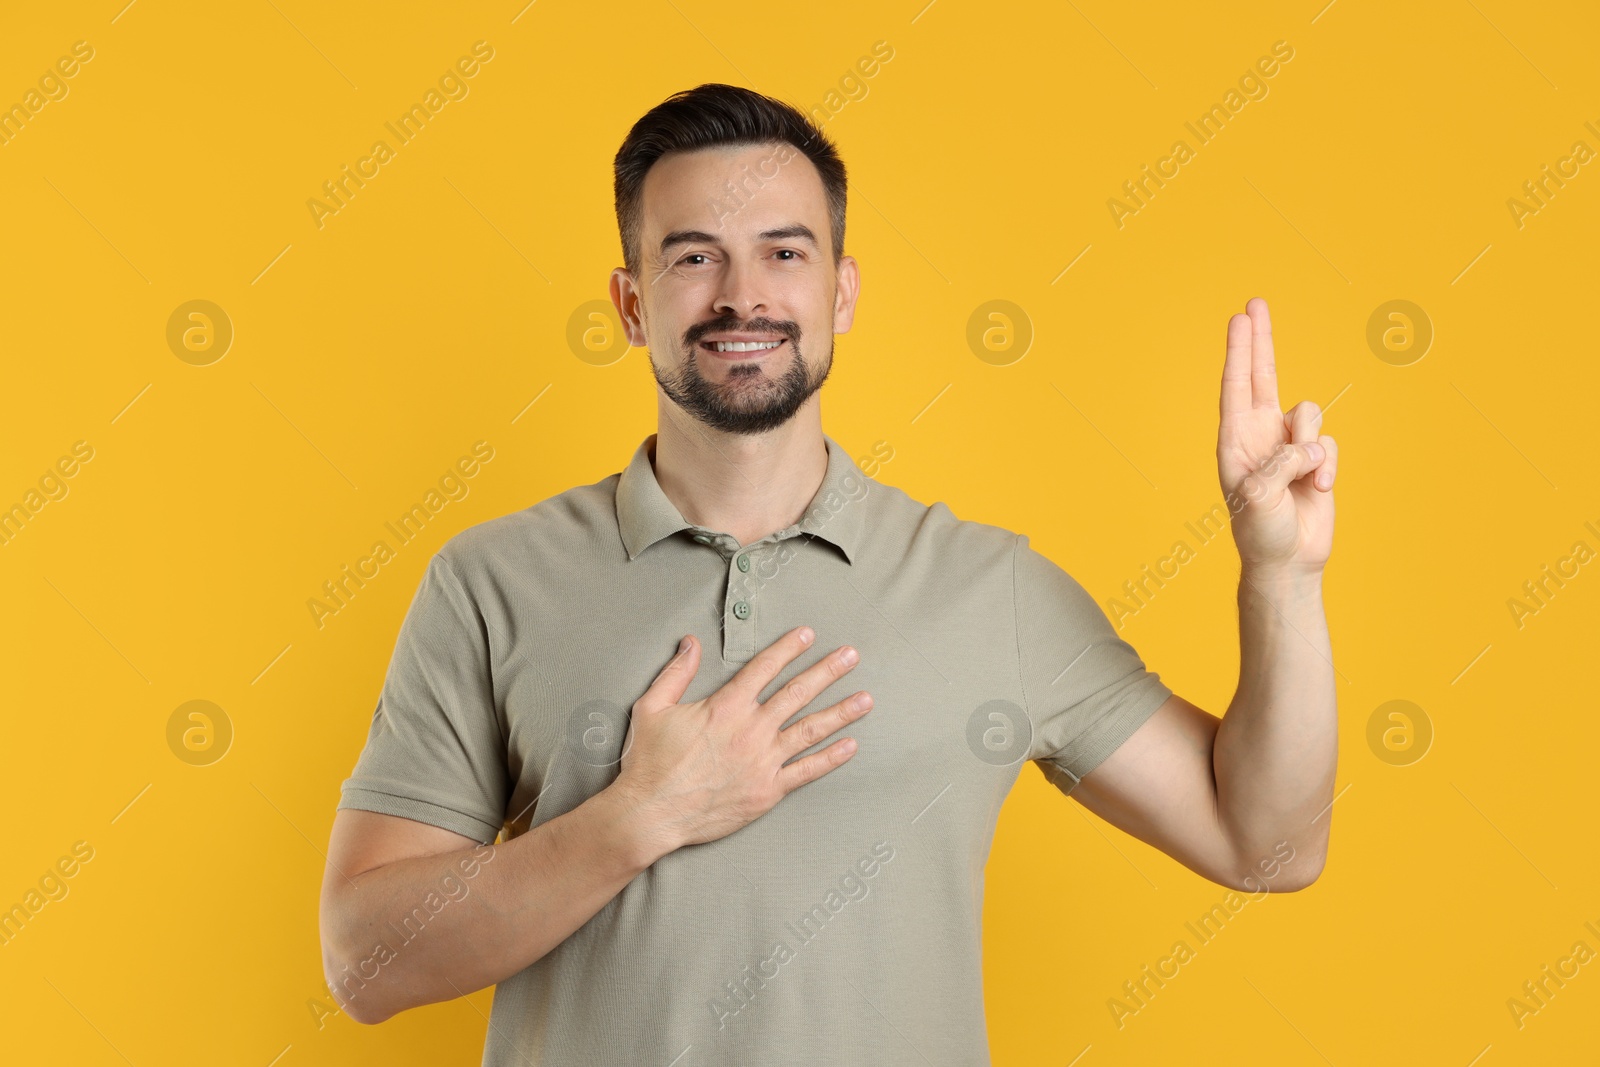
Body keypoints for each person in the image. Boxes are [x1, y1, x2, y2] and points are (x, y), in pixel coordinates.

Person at [318, 82, 1339, 1066]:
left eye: (783, 251)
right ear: (632, 305)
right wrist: (640, 815)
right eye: (692, 256)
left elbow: (1269, 847)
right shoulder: (491, 579)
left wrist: (1279, 579)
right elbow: (364, 960)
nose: (742, 294)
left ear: (840, 292)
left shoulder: (991, 589)